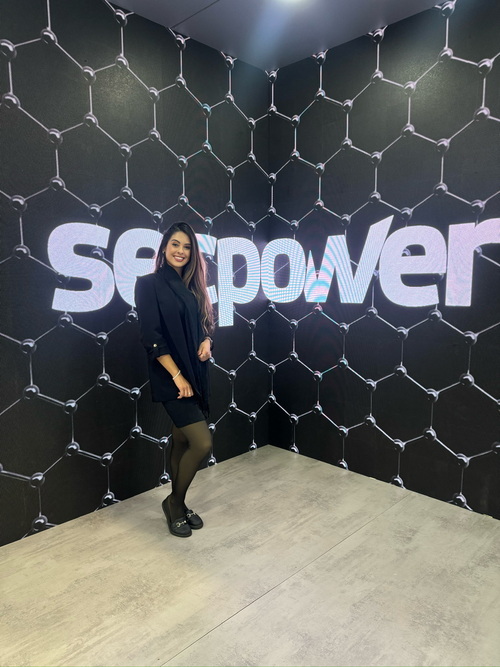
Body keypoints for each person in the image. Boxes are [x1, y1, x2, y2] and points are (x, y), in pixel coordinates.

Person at [134, 222, 214, 538]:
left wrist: (207, 340)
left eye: (187, 247)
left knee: (181, 440)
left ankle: (177, 503)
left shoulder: (193, 286)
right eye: (175, 244)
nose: (180, 251)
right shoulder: (148, 284)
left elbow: (205, 323)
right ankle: (174, 503)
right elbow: (150, 337)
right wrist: (178, 376)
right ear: (164, 247)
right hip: (171, 375)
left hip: (195, 373)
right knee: (202, 443)